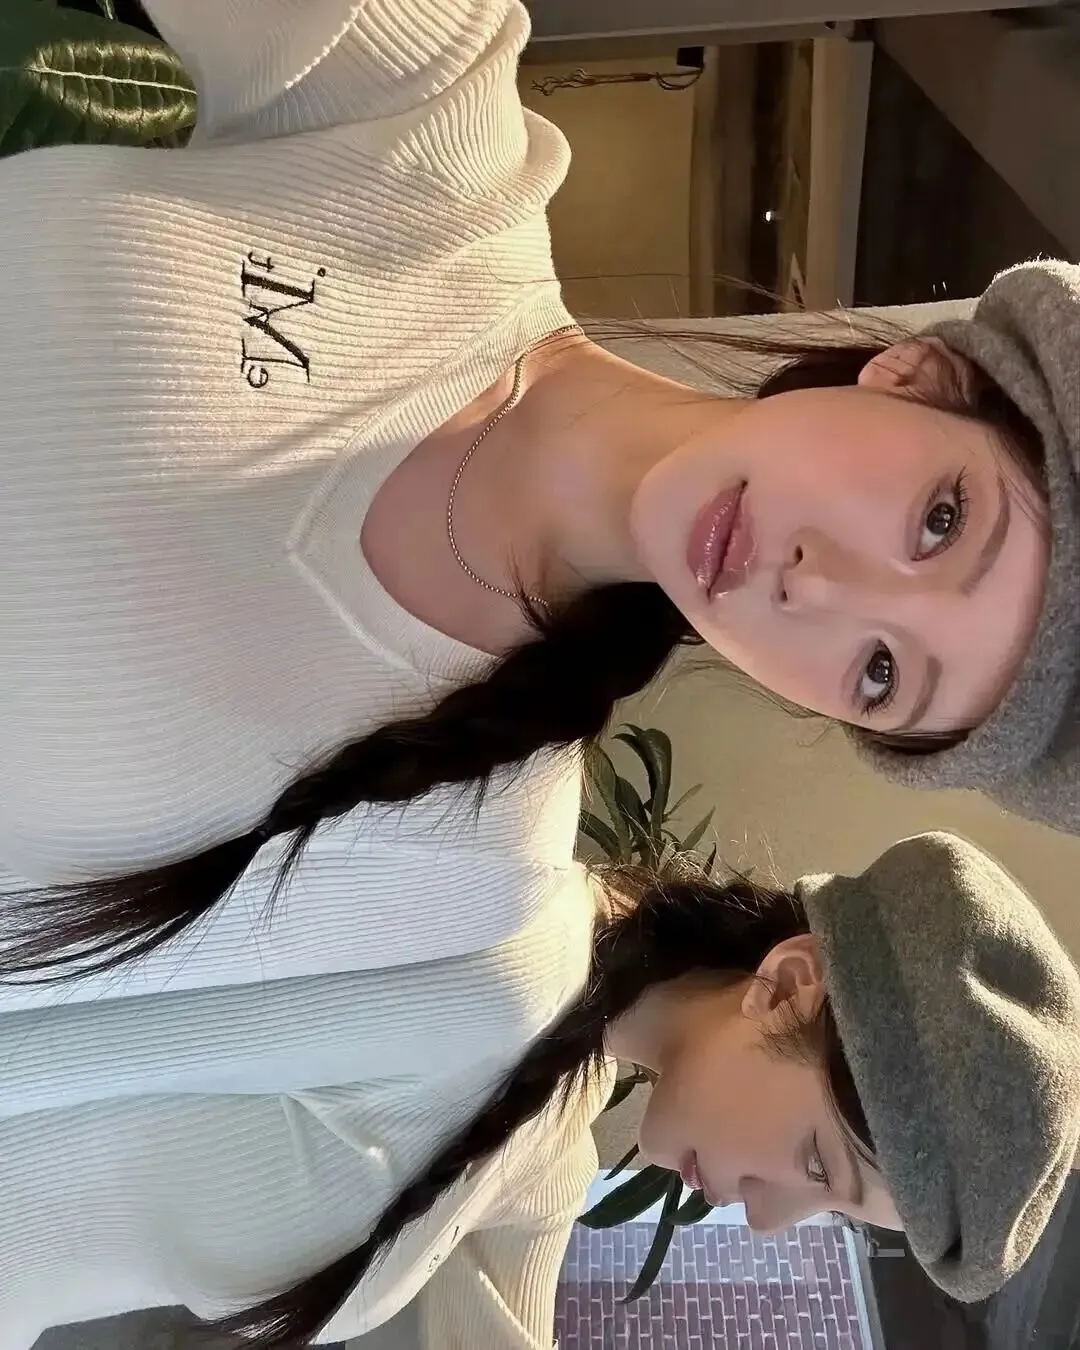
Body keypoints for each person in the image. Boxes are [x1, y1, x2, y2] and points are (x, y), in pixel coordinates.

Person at [0, 0, 1069, 989]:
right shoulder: (429, 120)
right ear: (923, 376)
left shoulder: (450, 861)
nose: (816, 586)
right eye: (942, 522)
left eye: (881, 673)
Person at [5, 830, 1077, 1346]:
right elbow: (77, 1014)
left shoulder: (550, 1144)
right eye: (815, 1164)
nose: (765, 1218)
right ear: (789, 986)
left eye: (829, 1213)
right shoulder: (492, 933)